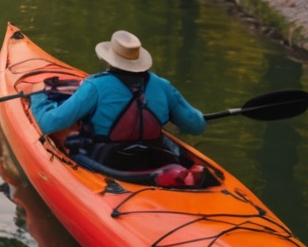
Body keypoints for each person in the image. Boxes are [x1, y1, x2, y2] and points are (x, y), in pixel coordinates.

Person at [29, 31, 206, 171]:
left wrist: (38, 97)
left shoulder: (94, 86)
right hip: (153, 160)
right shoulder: (163, 86)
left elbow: (48, 124)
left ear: (107, 58)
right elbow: (196, 126)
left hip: (109, 162)